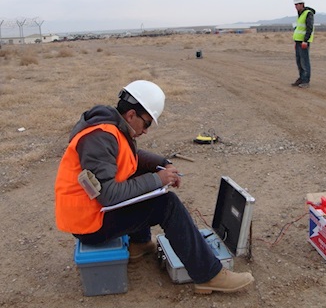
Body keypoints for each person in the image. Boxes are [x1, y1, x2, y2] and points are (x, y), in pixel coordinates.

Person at [54, 80, 254, 294]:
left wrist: (163, 164)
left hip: (94, 212)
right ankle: (209, 275)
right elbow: (109, 195)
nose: (146, 131)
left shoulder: (113, 127)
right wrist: (158, 179)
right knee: (166, 204)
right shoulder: (100, 137)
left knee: (140, 178)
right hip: (88, 223)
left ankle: (139, 245)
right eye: (147, 123)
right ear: (131, 115)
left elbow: (130, 157)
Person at [292, 0, 316, 88]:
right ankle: (301, 78)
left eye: (297, 4)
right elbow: (299, 28)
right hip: (298, 41)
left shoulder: (308, 13)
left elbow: (309, 28)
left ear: (302, 4)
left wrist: (305, 41)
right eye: (295, 5)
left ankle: (306, 80)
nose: (295, 6)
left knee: (304, 61)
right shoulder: (300, 14)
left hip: (303, 42)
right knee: (299, 61)